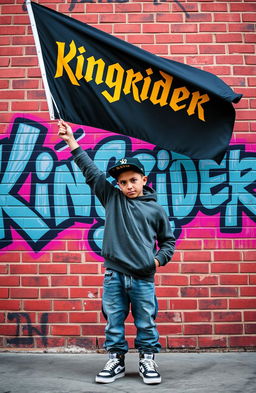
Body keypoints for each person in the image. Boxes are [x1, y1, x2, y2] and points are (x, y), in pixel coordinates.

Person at [58, 120, 176, 385]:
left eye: (133, 180)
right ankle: (116, 360)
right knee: (113, 322)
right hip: (114, 276)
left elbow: (168, 242)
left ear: (144, 180)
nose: (128, 185)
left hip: (144, 277)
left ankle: (147, 359)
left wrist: (156, 261)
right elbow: (91, 172)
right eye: (122, 182)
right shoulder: (112, 198)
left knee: (146, 321)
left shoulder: (155, 210)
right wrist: (71, 141)